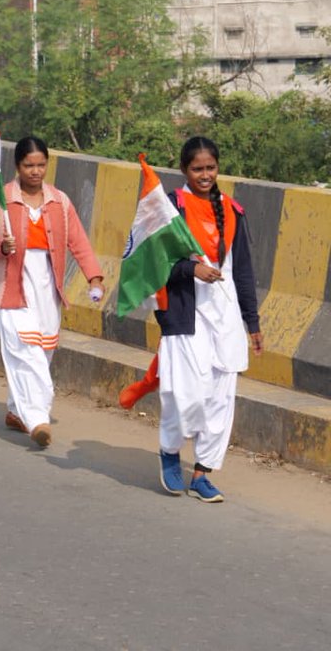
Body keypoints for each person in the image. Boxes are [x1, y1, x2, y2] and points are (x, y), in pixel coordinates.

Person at [0, 137, 104, 448]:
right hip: (11, 287)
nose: (35, 171)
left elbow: (79, 242)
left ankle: (17, 410)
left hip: (47, 288)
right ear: (17, 166)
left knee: (42, 352)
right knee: (23, 350)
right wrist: (0, 248)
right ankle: (37, 420)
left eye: (40, 165)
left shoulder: (60, 201)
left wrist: (94, 277)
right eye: (28, 165)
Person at [155, 137, 263, 503]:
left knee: (220, 395)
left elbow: (243, 271)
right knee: (186, 395)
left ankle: (202, 472)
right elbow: (152, 262)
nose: (205, 175)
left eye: (211, 168)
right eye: (198, 169)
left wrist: (253, 322)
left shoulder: (233, 210)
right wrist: (191, 269)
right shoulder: (169, 208)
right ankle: (170, 451)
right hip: (185, 313)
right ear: (185, 170)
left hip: (225, 314)